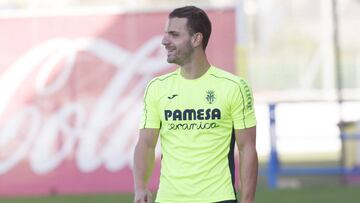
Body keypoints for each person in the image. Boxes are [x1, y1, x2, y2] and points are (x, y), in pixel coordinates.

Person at [133, 5, 258, 203]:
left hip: (218, 198)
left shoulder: (234, 87)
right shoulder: (156, 88)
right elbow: (146, 144)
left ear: (196, 39)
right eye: (166, 34)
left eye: (173, 34)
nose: (164, 41)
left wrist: (247, 200)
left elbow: (247, 148)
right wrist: (140, 187)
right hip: (168, 199)